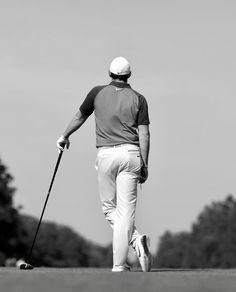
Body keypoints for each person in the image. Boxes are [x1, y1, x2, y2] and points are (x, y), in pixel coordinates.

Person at [56, 57, 151, 272]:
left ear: (109, 73)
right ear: (129, 76)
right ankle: (126, 254)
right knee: (126, 210)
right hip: (131, 153)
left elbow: (80, 116)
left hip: (106, 154)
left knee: (110, 208)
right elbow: (144, 133)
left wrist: (64, 135)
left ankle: (132, 245)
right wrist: (145, 164)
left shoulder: (96, 92)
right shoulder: (139, 98)